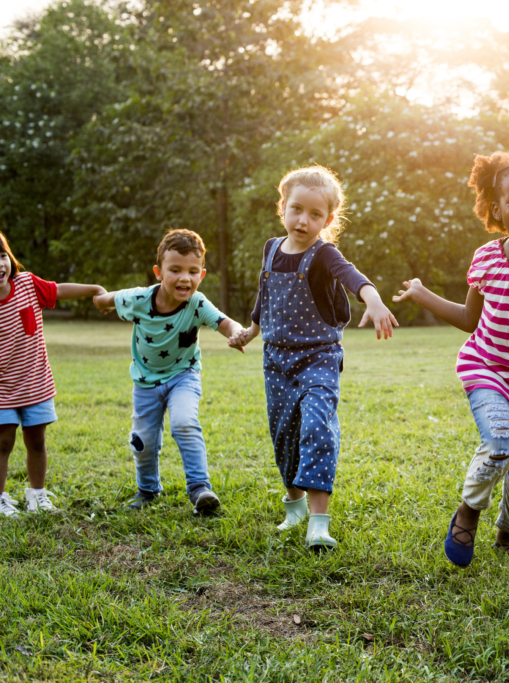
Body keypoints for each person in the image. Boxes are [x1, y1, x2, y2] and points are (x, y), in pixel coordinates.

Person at [393, 151, 509, 566]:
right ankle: (468, 511)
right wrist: (423, 293)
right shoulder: (485, 259)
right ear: (497, 209)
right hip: (488, 368)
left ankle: (507, 534)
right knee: (500, 446)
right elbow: (468, 318)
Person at [230, 166, 397, 550]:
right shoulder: (271, 249)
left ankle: (319, 523)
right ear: (282, 208)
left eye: (315, 214)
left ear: (328, 220)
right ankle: (295, 508)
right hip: (275, 361)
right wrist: (251, 331)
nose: (304, 220)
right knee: (284, 433)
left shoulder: (324, 254)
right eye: (296, 209)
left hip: (319, 357)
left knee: (317, 426)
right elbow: (264, 296)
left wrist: (373, 298)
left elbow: (352, 276)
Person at [95, 229, 246, 515]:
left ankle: (199, 489)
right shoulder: (138, 299)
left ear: (201, 275)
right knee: (143, 441)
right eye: (175, 270)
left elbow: (226, 323)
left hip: (183, 377)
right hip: (145, 383)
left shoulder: (197, 303)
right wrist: (100, 301)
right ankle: (148, 490)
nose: (184, 278)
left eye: (192, 271)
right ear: (158, 272)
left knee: (184, 422)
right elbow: (105, 299)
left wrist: (237, 333)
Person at [0, 231, 106, 517]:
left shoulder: (27, 284)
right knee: (3, 442)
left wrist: (94, 288)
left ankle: (36, 495)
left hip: (34, 382)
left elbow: (58, 290)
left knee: (36, 440)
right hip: (2, 389)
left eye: (1, 256)